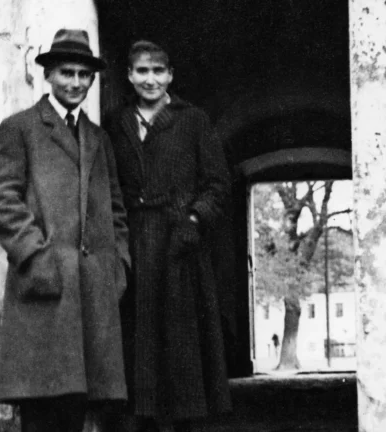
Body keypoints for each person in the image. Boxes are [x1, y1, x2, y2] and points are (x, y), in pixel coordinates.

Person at [0, 29, 130, 432]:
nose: (76, 83)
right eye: (67, 73)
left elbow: (115, 209)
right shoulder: (20, 128)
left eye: (84, 75)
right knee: (42, 410)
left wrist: (118, 266)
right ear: (47, 75)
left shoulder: (98, 139)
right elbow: (1, 199)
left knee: (79, 409)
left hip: (92, 294)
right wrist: (36, 256)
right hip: (45, 289)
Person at [104, 40, 232, 431]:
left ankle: (186, 422)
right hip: (133, 243)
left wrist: (194, 219)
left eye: (158, 71)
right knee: (138, 342)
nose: (151, 79)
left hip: (179, 245)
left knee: (181, 343)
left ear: (170, 75)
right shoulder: (116, 123)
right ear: (129, 75)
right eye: (142, 71)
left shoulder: (192, 120)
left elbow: (217, 183)